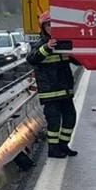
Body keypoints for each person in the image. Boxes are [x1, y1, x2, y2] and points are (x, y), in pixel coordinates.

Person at [28, 12, 77, 158]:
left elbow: (75, 60)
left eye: (54, 25)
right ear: (43, 27)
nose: (51, 28)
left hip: (65, 89)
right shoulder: (40, 44)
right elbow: (32, 58)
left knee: (70, 118)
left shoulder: (63, 42)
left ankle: (63, 145)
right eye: (48, 25)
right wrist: (47, 48)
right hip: (50, 92)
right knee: (54, 121)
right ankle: (53, 149)